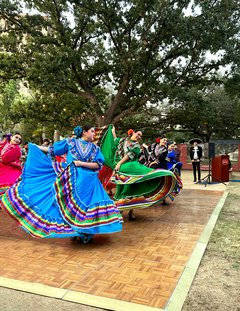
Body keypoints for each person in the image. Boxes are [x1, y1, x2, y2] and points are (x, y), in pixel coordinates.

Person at [1, 125, 123, 243]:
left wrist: (81, 164)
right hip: (69, 178)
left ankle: (85, 232)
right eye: (92, 131)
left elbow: (98, 164)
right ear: (84, 132)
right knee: (66, 206)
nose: (93, 134)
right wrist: (36, 146)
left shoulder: (95, 149)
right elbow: (52, 150)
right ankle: (75, 232)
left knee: (86, 207)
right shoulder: (70, 142)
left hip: (89, 182)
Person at [99, 125, 181, 219]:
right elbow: (115, 139)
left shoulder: (137, 146)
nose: (139, 137)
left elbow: (129, 155)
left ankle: (130, 211)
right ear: (132, 132)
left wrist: (119, 164)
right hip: (121, 168)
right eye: (138, 134)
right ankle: (119, 209)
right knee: (121, 188)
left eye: (140, 136)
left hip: (130, 167)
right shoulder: (123, 140)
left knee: (132, 188)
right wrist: (113, 130)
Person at [0, 132, 22, 201]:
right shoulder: (7, 145)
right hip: (3, 168)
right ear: (11, 137)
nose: (17, 139)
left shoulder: (16, 148)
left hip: (9, 171)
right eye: (16, 137)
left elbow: (5, 159)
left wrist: (1, 158)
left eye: (19, 139)